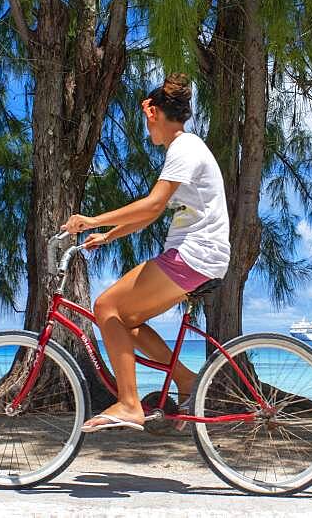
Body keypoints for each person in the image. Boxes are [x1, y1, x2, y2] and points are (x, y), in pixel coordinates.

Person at [60, 75, 230, 432]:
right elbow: (149, 215)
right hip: (199, 256)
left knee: (106, 307)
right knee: (127, 323)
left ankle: (129, 404)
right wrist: (106, 236)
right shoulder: (185, 149)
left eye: (146, 118)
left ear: (153, 112)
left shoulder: (185, 148)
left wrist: (91, 220)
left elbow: (152, 206)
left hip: (194, 255)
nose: (146, 129)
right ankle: (185, 380)